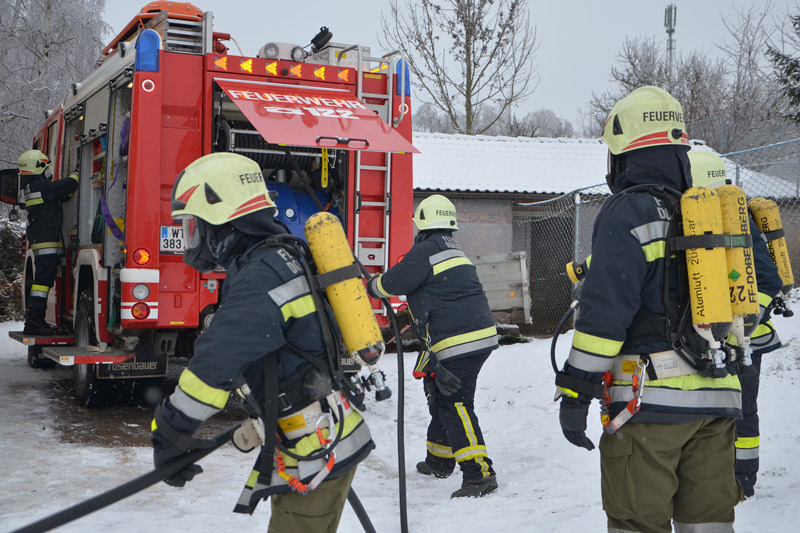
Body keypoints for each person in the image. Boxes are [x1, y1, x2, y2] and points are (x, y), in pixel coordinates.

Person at [150, 153, 375, 531]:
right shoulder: (280, 256)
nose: (191, 239)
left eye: (192, 226)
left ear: (221, 222)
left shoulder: (261, 276)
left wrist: (173, 429)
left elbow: (219, 356)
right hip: (318, 441)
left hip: (315, 451)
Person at [555, 86, 743, 532]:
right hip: (718, 405)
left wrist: (576, 389)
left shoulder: (629, 210)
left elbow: (605, 315)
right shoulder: (700, 211)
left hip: (649, 408)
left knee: (637, 523)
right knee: (711, 525)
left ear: (622, 155)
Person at [366, 194, 499, 498]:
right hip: (473, 336)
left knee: (455, 401)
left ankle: (479, 474)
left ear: (422, 222)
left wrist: (371, 284)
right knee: (441, 395)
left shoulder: (426, 251)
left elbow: (392, 284)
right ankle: (439, 460)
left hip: (459, 341)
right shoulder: (452, 249)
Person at [687, 150, 783, 498]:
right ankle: (722, 473)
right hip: (726, 338)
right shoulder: (711, 215)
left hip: (748, 340)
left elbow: (768, 281)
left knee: (743, 411)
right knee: (725, 408)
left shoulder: (737, 218)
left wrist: (742, 323)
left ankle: (743, 478)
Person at [18, 149, 78, 335]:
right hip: (45, 242)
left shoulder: (33, 188)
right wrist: (78, 173)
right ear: (38, 168)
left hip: (41, 240)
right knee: (43, 281)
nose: (49, 172)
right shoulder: (41, 187)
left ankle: (34, 319)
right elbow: (69, 185)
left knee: (43, 280)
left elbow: (60, 195)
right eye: (46, 168)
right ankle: (35, 321)